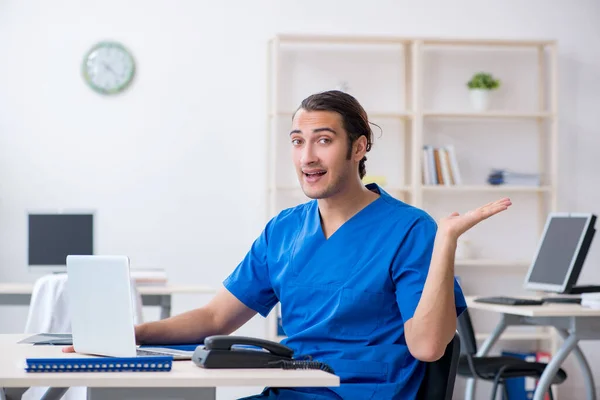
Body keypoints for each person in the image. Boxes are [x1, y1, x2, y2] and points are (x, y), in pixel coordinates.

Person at [65, 90, 511, 399]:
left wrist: (446, 241)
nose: (307, 157)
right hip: (292, 392)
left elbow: (428, 347)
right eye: (298, 142)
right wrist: (129, 335)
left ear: (359, 148)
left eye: (324, 140)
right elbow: (216, 317)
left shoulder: (410, 229)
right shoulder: (283, 230)